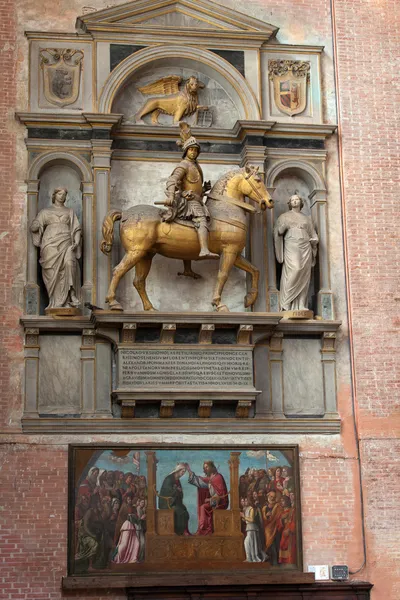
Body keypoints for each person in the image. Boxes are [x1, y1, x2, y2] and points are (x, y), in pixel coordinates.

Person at [162, 122, 218, 260]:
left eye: (195, 150)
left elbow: (192, 184)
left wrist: (204, 189)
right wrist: (170, 194)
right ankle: (204, 249)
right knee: (201, 219)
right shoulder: (184, 164)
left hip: (197, 199)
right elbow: (172, 179)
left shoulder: (195, 166)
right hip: (190, 201)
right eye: (191, 150)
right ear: (186, 151)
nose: (193, 152)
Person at [30, 187, 81, 310]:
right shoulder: (45, 212)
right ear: (54, 195)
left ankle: (71, 295)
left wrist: (76, 242)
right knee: (51, 270)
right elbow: (34, 227)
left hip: (66, 242)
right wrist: (36, 225)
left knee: (69, 263)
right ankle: (54, 301)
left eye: (64, 194)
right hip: (49, 244)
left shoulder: (70, 211)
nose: (62, 196)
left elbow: (76, 229)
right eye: (59, 194)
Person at [273, 194, 318, 311]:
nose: (294, 201)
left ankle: (302, 305)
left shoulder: (306, 219)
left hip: (305, 247)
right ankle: (286, 301)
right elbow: (278, 231)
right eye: (292, 200)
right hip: (292, 246)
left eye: (296, 199)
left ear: (301, 202)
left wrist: (314, 240)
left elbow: (313, 234)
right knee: (296, 269)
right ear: (289, 203)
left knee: (304, 275)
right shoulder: (284, 216)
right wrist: (285, 225)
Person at [186, 460, 229, 535]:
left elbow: (220, 494)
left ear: (212, 467)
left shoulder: (218, 477)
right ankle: (203, 528)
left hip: (221, 502)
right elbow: (200, 481)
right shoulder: (210, 478)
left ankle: (204, 529)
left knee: (203, 507)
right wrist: (189, 471)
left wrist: (209, 499)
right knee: (204, 506)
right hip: (214, 501)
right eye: (204, 467)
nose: (205, 469)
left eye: (207, 467)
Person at [158, 463, 191, 536]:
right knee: (181, 512)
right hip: (166, 502)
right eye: (182, 472)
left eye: (184, 472)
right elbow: (167, 492)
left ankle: (183, 531)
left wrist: (179, 491)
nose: (183, 474)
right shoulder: (169, 479)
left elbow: (180, 493)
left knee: (184, 510)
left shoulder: (177, 480)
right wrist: (176, 490)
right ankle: (178, 532)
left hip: (174, 502)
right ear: (178, 471)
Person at [240, 497, 266, 562]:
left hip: (252, 528)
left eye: (246, 501)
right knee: (248, 543)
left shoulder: (251, 509)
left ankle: (252, 558)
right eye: (244, 501)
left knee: (248, 543)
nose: (245, 502)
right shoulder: (247, 509)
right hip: (249, 528)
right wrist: (243, 518)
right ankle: (249, 558)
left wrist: (244, 516)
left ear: (249, 501)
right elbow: (247, 520)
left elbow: (251, 520)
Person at [277, 496, 296, 564]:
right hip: (283, 533)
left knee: (289, 548)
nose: (282, 502)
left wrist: (289, 529)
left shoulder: (292, 510)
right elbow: (279, 526)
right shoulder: (281, 513)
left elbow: (294, 521)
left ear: (287, 501)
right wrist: (281, 520)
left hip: (290, 533)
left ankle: (290, 562)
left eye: (283, 501)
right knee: (282, 545)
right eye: (281, 501)